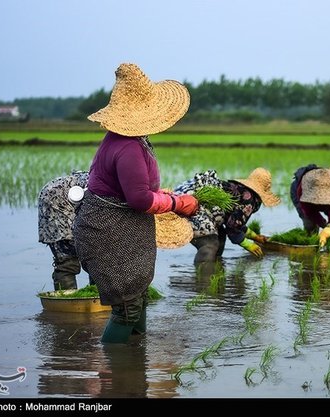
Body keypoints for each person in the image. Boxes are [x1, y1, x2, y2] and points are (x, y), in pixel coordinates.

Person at [73, 63, 199, 344]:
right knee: (127, 307)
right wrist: (179, 203)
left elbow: (136, 190)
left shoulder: (129, 139)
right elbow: (140, 199)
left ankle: (135, 358)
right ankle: (116, 368)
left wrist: (163, 196)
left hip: (121, 229)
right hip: (108, 232)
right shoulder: (128, 147)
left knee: (137, 295)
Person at [173, 168, 280, 267]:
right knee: (210, 244)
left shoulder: (239, 190)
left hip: (186, 199)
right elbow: (233, 227)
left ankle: (215, 265)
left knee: (221, 233)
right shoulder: (249, 199)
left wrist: (255, 237)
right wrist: (248, 244)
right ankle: (203, 279)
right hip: (193, 208)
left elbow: (234, 221)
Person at [38, 171, 89, 290]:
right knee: (67, 260)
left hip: (65, 197)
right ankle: (67, 301)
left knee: (95, 257)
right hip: (56, 201)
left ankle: (99, 297)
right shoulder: (109, 184)